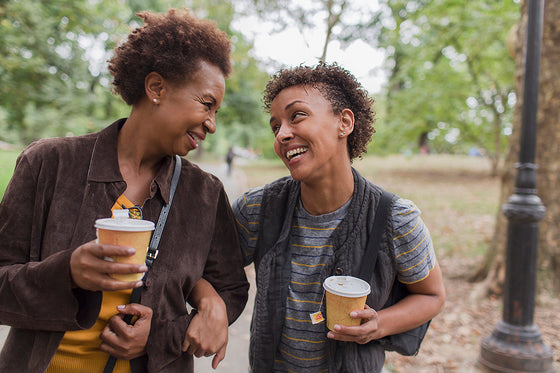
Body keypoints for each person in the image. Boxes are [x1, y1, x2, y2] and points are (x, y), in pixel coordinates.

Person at [0, 8, 248, 373]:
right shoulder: (48, 164)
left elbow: (231, 290)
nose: (211, 124)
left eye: (217, 111)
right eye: (206, 104)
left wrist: (168, 331)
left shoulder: (204, 193)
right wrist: (65, 272)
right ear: (156, 88)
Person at [232, 63, 446, 372]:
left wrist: (379, 324)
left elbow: (433, 296)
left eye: (297, 116)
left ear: (343, 122)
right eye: (275, 126)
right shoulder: (258, 209)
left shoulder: (395, 219)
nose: (282, 134)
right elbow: (209, 269)